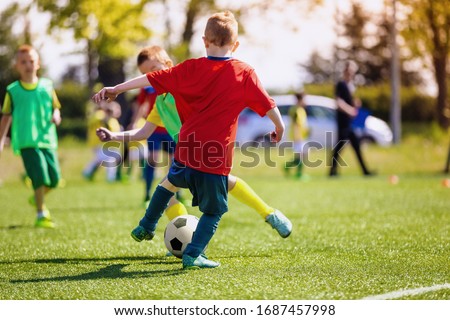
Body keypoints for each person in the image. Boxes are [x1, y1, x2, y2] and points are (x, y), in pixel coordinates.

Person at [92, 11, 287, 269]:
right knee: (214, 211)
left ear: (204, 41)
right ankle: (194, 254)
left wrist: (115, 88)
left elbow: (147, 80)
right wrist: (280, 126)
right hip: (214, 156)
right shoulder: (244, 73)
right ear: (236, 44)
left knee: (167, 184)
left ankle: (146, 224)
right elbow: (267, 103)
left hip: (185, 150)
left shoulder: (188, 68)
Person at [0, 45, 62, 228]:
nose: (28, 65)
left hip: (47, 139)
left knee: (55, 179)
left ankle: (36, 197)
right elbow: (6, 116)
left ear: (38, 64)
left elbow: (56, 106)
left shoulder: (48, 86)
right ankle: (41, 213)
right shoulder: (13, 90)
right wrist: (1, 139)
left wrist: (56, 115)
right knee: (41, 177)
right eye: (23, 62)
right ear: (16, 66)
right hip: (27, 140)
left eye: (31, 61)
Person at [329, 60, 374, 177]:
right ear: (345, 71)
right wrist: (350, 109)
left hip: (350, 123)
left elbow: (348, 102)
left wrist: (355, 104)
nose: (351, 74)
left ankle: (365, 171)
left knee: (355, 145)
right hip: (343, 122)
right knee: (339, 147)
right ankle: (332, 171)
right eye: (349, 71)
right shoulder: (341, 85)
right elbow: (339, 102)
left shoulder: (351, 86)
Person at [82, 100, 122, 182]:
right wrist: (104, 109)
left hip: (107, 144)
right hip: (98, 142)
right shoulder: (100, 115)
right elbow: (99, 120)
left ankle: (88, 173)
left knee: (101, 160)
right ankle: (109, 178)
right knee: (104, 160)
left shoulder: (113, 120)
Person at [284, 92, 310, 180]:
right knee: (301, 155)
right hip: (297, 137)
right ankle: (299, 174)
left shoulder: (301, 110)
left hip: (302, 137)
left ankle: (287, 166)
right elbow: (296, 125)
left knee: (303, 155)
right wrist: (297, 137)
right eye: (305, 99)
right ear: (300, 100)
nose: (306, 102)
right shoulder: (295, 110)